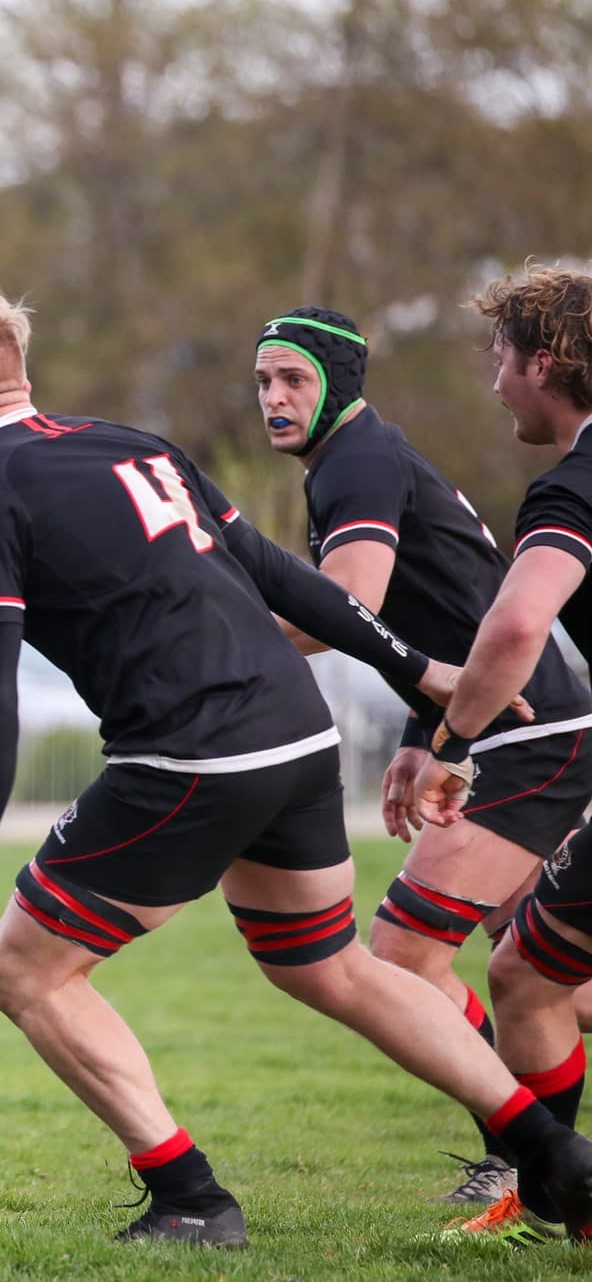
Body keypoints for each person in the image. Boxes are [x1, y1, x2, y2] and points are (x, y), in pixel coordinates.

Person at [0, 290, 592, 1248]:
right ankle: (552, 1150)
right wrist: (417, 666)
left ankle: (188, 1195)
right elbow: (278, 571)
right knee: (328, 965)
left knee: (27, 972)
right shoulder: (132, 444)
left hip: (188, 756)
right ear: (22, 377)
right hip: (301, 741)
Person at [254, 304, 592, 1207]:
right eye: (262, 382)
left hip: (529, 733)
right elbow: (444, 608)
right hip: (523, 726)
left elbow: (346, 605)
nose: (274, 400)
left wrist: (217, 629)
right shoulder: (366, 459)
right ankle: (538, 1156)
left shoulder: (356, 463)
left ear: (340, 384)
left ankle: (530, 1159)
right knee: (547, 973)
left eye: (293, 380)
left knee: (402, 959)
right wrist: (419, 733)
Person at [402, 265, 592, 1243]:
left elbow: (515, 623)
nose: (491, 381)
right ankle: (558, 1200)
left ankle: (554, 1197)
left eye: (499, 357)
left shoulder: (570, 486)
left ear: (543, 363)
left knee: (518, 974)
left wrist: (446, 743)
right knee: (525, 974)